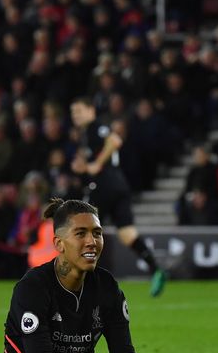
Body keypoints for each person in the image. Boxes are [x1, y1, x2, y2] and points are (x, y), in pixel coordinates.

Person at [0, 198, 144, 353]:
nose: (92, 241)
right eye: (81, 234)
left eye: (97, 233)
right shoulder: (33, 287)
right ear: (59, 243)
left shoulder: (107, 287)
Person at [70, 98, 167, 297]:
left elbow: (115, 141)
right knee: (127, 233)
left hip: (104, 185)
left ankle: (85, 281)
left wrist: (95, 164)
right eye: (73, 113)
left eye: (79, 111)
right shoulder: (88, 134)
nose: (76, 116)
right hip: (119, 184)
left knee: (84, 229)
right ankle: (155, 268)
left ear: (91, 111)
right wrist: (84, 165)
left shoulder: (95, 127)